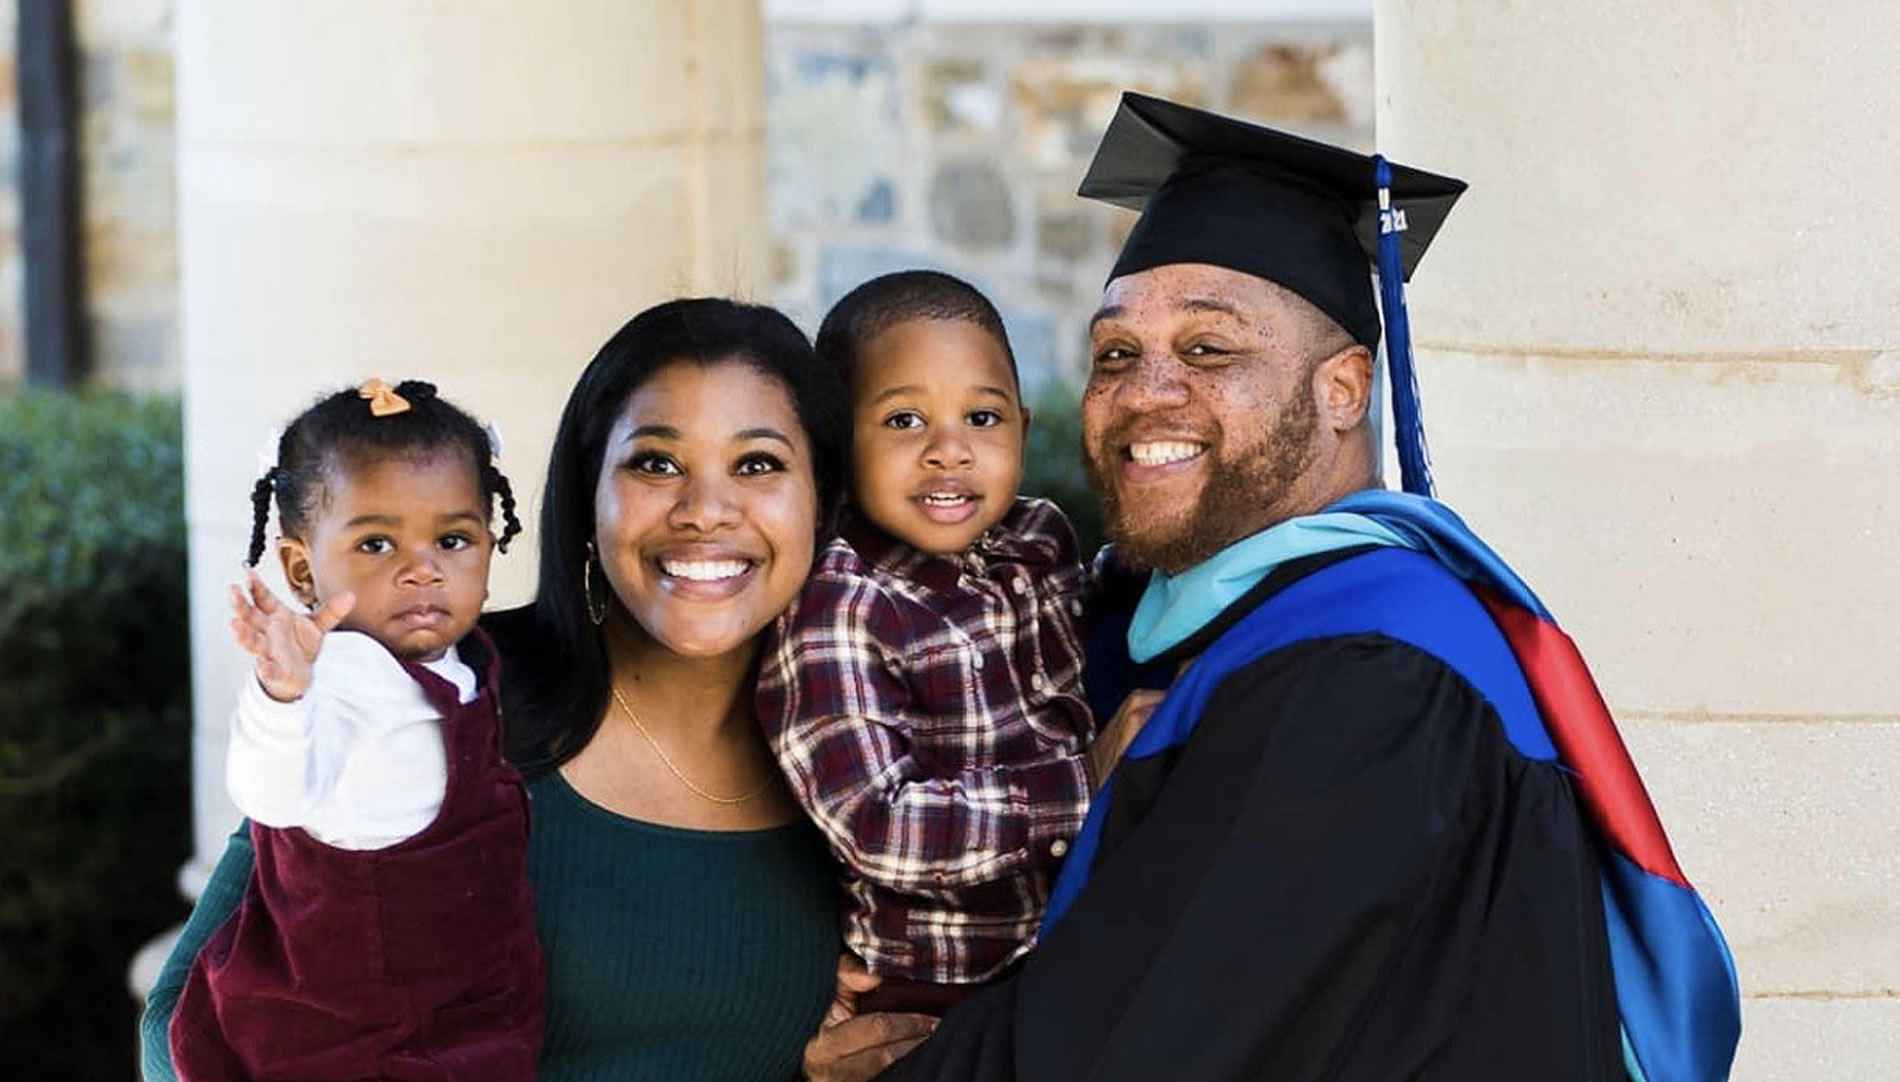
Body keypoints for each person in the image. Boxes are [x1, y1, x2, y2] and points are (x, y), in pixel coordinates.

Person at [860, 93, 1741, 1082]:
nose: (1144, 393)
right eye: (1116, 354)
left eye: (1208, 348)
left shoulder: (1371, 676)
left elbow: (1130, 1043)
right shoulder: (1144, 624)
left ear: (1344, 390)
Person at [145, 299, 920, 1081]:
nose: (705, 511)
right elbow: (176, 1030)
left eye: (758, 464)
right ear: (588, 494)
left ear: (822, 502)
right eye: (654, 462)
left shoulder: (881, 767)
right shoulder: (438, 696)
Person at [756, 271, 1158, 1017]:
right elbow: (879, 825)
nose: (950, 451)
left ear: (1024, 430)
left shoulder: (1038, 539)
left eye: (983, 418)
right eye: (905, 421)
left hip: (1074, 949)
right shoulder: (840, 605)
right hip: (935, 993)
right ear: (838, 446)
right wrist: (1081, 784)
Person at [169, 378, 541, 1082]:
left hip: (456, 1011)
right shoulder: (340, 674)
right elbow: (272, 797)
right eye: (376, 543)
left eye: (454, 539)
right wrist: (281, 697)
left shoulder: (462, 664)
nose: (422, 569)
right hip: (344, 1040)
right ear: (303, 570)